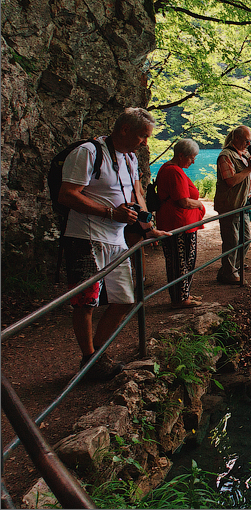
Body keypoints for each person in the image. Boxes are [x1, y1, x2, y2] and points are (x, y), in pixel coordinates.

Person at [58, 108, 169, 380]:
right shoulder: (88, 153)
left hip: (117, 239)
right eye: (143, 136)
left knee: (124, 300)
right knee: (86, 303)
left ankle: (95, 355)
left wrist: (147, 228)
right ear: (124, 130)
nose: (146, 143)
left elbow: (136, 193)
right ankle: (90, 358)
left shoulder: (130, 158)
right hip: (85, 237)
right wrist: (109, 213)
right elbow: (67, 195)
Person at [155, 139, 206, 308]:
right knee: (180, 261)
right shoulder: (174, 171)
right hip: (177, 225)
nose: (193, 161)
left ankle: (185, 294)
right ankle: (180, 298)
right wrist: (199, 204)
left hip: (181, 224)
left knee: (186, 261)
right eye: (192, 157)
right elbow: (183, 201)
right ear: (181, 155)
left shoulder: (171, 169)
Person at [214, 125, 251, 284]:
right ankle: (228, 273)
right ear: (236, 139)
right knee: (232, 240)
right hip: (231, 205)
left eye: (250, 140)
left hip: (244, 204)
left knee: (246, 238)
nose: (249, 144)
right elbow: (231, 181)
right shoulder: (225, 156)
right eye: (247, 141)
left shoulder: (244, 153)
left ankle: (233, 267)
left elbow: (249, 179)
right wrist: (250, 168)